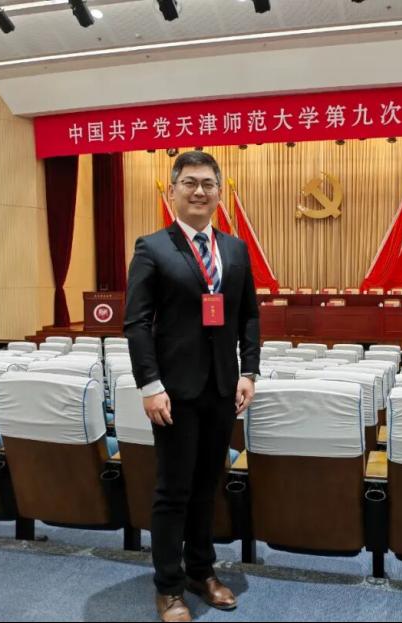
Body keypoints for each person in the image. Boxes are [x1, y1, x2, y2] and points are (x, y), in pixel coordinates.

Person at [124, 150, 261, 622]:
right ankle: (168, 586)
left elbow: (249, 316)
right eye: (189, 183)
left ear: (220, 192)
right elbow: (137, 324)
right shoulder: (152, 248)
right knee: (173, 490)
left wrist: (249, 372)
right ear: (172, 191)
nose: (199, 191)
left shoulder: (236, 250)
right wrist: (149, 384)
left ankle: (201, 571)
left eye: (208, 183)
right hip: (173, 392)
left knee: (208, 486)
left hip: (222, 389)